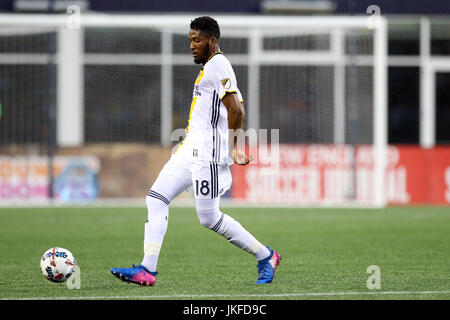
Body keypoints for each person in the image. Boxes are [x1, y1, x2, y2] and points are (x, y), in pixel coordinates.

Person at [110, 16, 281, 286]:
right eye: (190, 40)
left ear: (212, 41)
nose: (192, 45)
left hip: (209, 157)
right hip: (190, 151)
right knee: (156, 199)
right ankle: (147, 269)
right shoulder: (209, 68)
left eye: (197, 40)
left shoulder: (219, 64)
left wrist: (234, 148)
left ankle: (266, 255)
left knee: (209, 218)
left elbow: (237, 110)